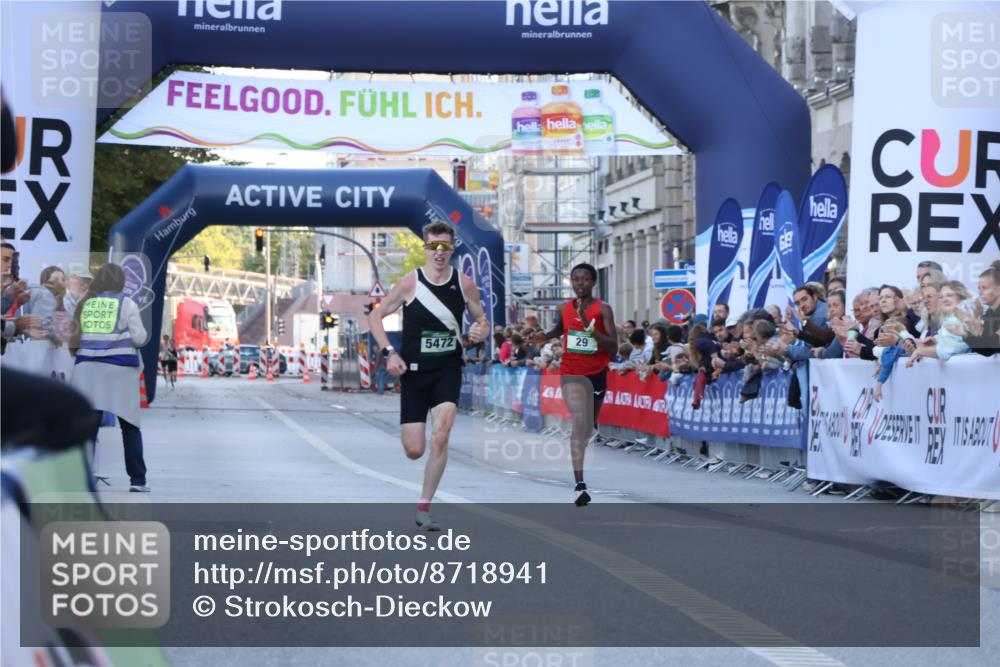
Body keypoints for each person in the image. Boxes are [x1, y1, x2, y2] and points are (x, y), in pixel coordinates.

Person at [368, 221, 489, 531]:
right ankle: (421, 485)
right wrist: (389, 353)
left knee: (442, 434)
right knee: (414, 450)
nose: (439, 252)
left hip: (447, 369)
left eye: (445, 247)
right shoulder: (409, 284)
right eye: (433, 246)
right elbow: (375, 316)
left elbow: (482, 321)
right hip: (414, 374)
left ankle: (424, 507)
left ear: (452, 248)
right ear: (425, 248)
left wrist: (479, 331)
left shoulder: (465, 284)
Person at [533, 263, 617, 506]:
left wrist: (591, 330)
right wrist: (545, 336)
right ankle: (580, 484)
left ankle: (586, 437)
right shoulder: (564, 307)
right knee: (579, 422)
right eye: (576, 279)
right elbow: (560, 329)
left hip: (598, 372)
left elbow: (612, 346)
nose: (580, 283)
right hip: (571, 372)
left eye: (585, 279)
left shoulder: (603, 310)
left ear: (593, 282)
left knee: (588, 428)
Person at [69, 263, 150, 492]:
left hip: (88, 371)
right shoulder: (127, 304)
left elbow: (75, 336)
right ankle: (137, 480)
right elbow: (140, 338)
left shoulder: (85, 304)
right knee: (130, 426)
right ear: (121, 282)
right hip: (119, 371)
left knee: (88, 427)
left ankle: (82, 479)